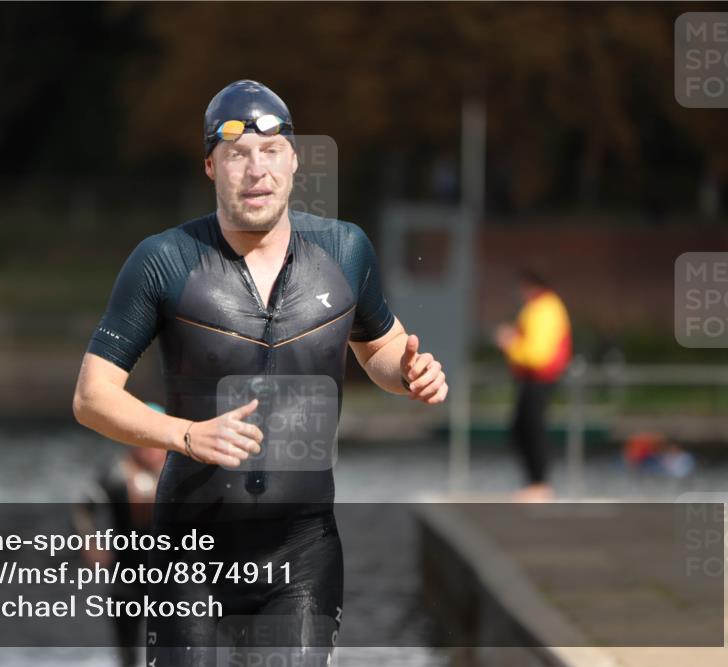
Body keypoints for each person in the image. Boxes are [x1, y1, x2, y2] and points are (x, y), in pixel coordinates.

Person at [72, 79, 448, 666]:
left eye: (270, 152)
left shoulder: (346, 251)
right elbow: (92, 396)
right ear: (210, 166)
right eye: (237, 155)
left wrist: (409, 375)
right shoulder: (164, 261)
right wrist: (187, 435)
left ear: (294, 160)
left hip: (301, 551)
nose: (256, 171)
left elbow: (381, 348)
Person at [71, 402, 168, 667]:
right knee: (127, 650)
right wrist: (89, 543)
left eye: (155, 439)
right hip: (126, 573)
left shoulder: (176, 471)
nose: (149, 449)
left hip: (170, 574)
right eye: (142, 438)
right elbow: (83, 509)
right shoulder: (117, 472)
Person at [494, 268, 572, 502]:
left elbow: (537, 353)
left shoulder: (543, 308)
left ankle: (540, 484)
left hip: (539, 376)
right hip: (535, 377)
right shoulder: (544, 307)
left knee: (531, 428)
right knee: (524, 427)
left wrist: (510, 344)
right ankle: (535, 483)